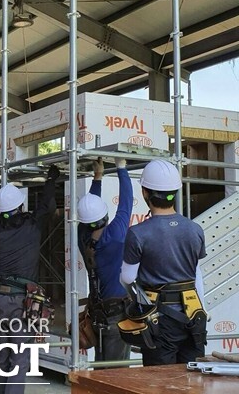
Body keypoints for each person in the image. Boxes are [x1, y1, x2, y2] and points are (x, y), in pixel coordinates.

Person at [0, 165, 59, 394]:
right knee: (19, 358)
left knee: (1, 354)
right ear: (20, 206)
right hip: (24, 303)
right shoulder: (33, 225)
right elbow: (47, 205)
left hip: (0, 301)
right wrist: (51, 179)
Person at [121, 160, 207, 366]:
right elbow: (197, 275)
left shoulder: (138, 233)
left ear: (144, 193)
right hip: (193, 315)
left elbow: (127, 278)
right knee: (192, 380)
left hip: (158, 320)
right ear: (175, 192)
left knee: (159, 382)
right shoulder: (195, 229)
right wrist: (202, 309)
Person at [76, 157, 132, 364]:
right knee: (116, 372)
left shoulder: (83, 236)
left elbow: (90, 209)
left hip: (98, 312)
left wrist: (98, 177)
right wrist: (121, 168)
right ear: (105, 217)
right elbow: (126, 203)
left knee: (102, 366)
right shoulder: (114, 236)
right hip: (116, 313)